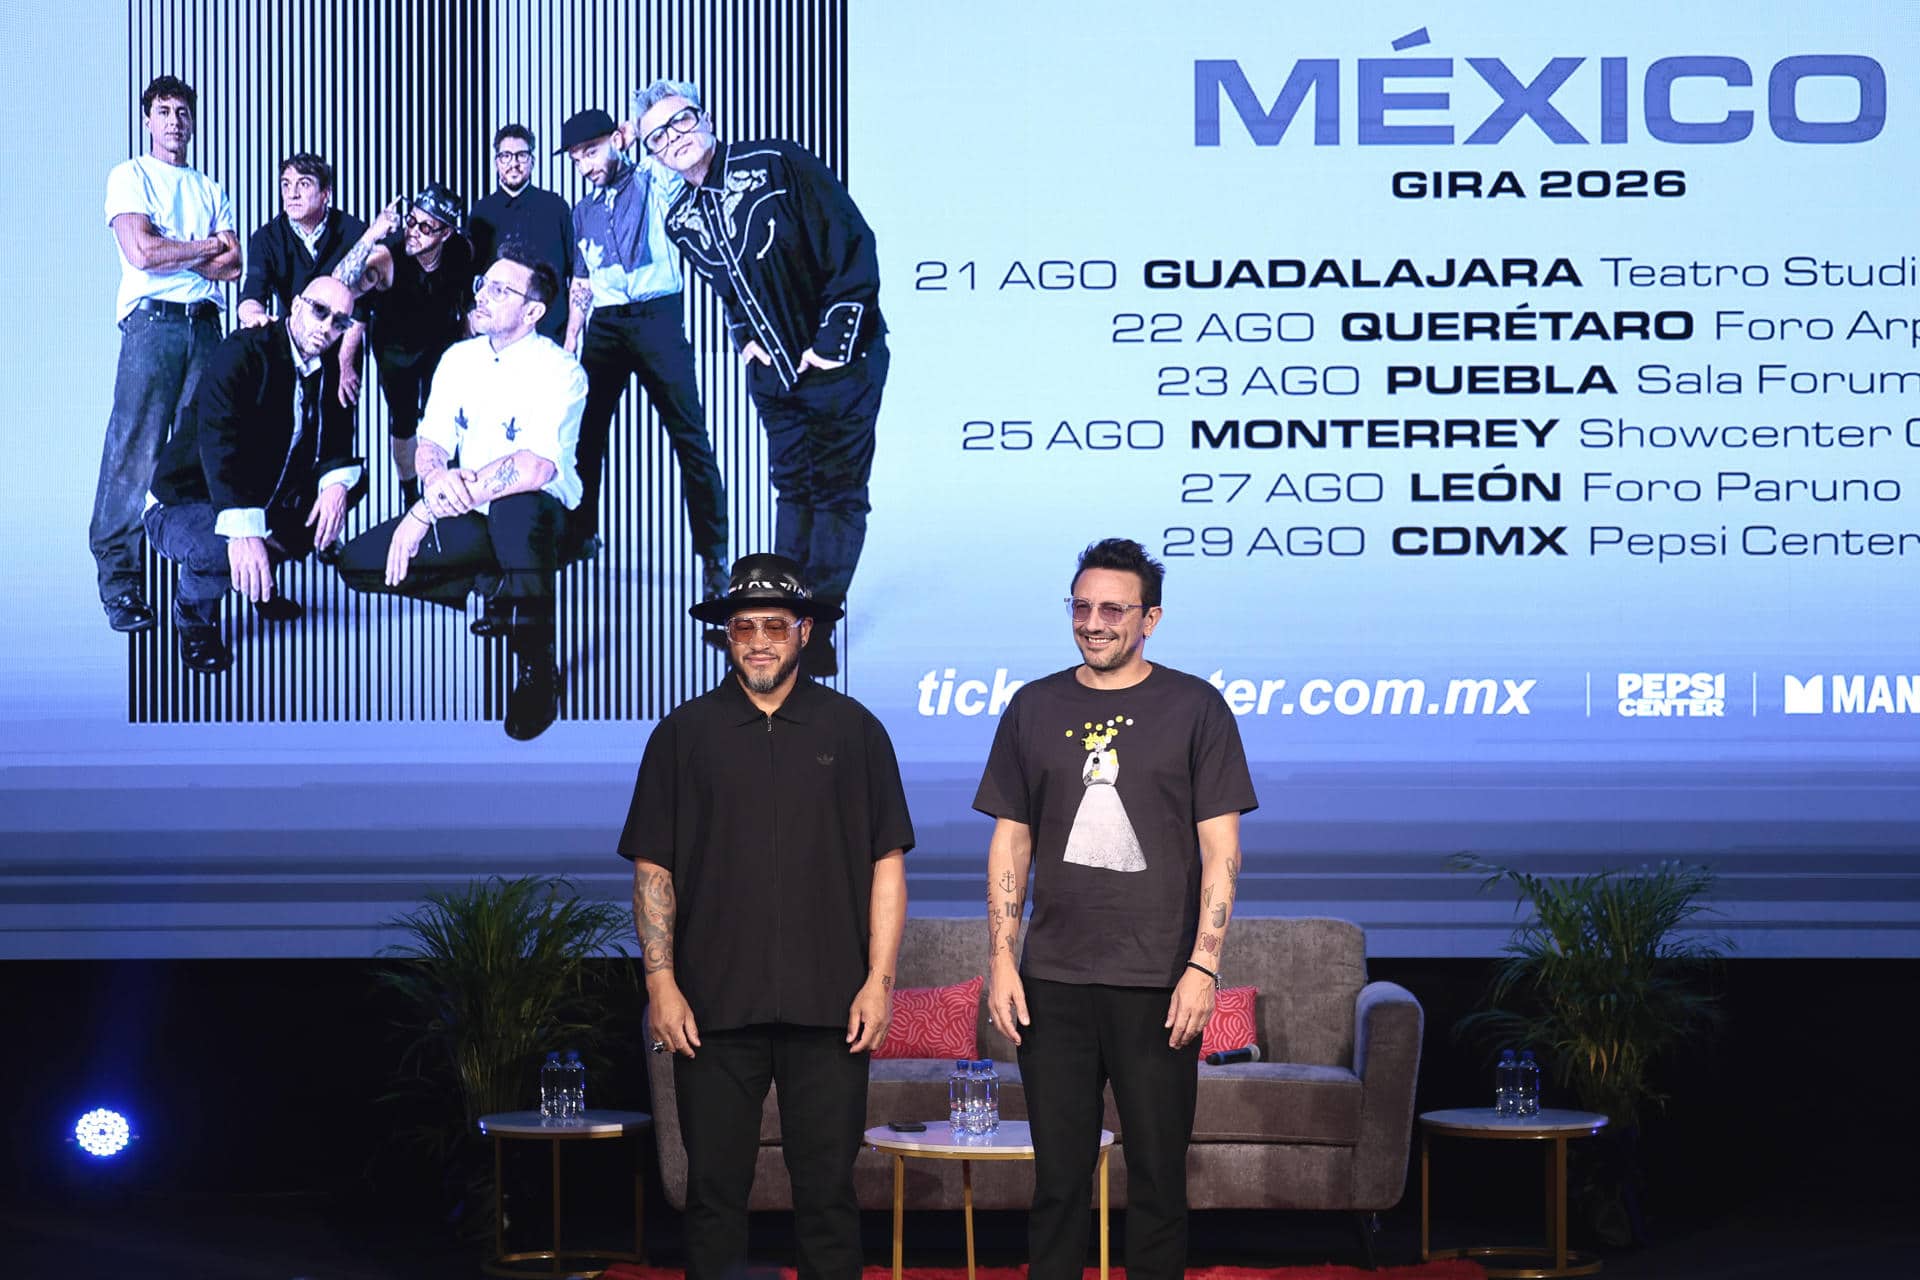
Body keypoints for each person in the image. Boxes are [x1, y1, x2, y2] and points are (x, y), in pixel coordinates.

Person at [618, 553, 913, 1280]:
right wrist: (661, 985)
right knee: (713, 1198)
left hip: (832, 1009)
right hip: (711, 1011)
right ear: (725, 636)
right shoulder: (682, 735)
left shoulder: (856, 732)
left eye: (774, 627)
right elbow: (654, 868)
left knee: (828, 1200)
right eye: (742, 627)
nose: (757, 641)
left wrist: (880, 982)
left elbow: (887, 866)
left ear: (804, 632)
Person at [974, 538, 1257, 1280]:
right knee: (1059, 1185)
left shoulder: (1196, 707)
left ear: (1150, 619)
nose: (1093, 622)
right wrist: (1003, 958)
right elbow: (1012, 843)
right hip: (1054, 986)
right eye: (1081, 606)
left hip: (1160, 985)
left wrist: (1203, 965)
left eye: (1112, 609)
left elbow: (1222, 851)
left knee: (1160, 1185)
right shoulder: (1033, 706)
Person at [634, 78, 889, 676]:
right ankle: (779, 623)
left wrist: (830, 346)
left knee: (837, 494)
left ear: (703, 115)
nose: (674, 137)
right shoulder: (682, 219)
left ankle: (817, 628)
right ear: (651, 153)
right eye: (657, 136)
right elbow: (731, 293)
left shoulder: (777, 161)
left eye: (680, 120)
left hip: (840, 363)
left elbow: (853, 246)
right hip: (774, 380)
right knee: (793, 493)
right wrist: (746, 344)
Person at [335, 244, 587, 741]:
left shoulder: (562, 371)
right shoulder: (459, 358)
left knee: (515, 509)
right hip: (472, 511)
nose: (483, 296)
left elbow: (534, 468)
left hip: (542, 517)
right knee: (360, 563)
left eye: (500, 289)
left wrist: (427, 509)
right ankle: (489, 582)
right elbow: (431, 443)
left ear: (533, 311)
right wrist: (432, 477)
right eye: (483, 284)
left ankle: (537, 664)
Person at [142, 277, 364, 674]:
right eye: (319, 311)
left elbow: (338, 435)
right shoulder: (243, 351)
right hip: (186, 500)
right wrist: (243, 530)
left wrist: (333, 487)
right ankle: (194, 619)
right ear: (295, 305)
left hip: (258, 495)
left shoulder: (330, 364)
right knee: (218, 546)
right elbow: (218, 441)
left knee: (345, 488)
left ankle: (258, 581)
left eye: (340, 322)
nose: (327, 328)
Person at [558, 107, 727, 595]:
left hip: (657, 317)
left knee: (690, 437)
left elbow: (673, 156)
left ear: (617, 140)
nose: (586, 165)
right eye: (576, 158)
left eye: (591, 151)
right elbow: (582, 279)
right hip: (606, 326)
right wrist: (572, 338)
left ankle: (714, 558)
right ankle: (580, 534)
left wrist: (635, 135)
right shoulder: (583, 209)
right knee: (583, 433)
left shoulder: (653, 179)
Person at [94, 73, 241, 633]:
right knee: (132, 452)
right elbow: (141, 251)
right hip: (152, 326)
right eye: (164, 110)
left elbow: (234, 267)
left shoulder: (208, 187)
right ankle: (119, 581)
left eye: (183, 110)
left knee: (201, 454)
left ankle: (196, 581)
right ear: (148, 119)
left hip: (206, 326)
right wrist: (205, 246)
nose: (175, 120)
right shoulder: (129, 176)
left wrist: (177, 248)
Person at [235, 151, 371, 573]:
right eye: (286, 185)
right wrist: (255, 317)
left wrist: (347, 361)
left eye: (304, 185)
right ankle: (271, 528)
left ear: (325, 194)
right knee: (286, 435)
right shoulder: (267, 237)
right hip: (292, 346)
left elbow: (363, 304)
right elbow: (252, 291)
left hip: (343, 342)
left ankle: (326, 533)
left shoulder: (353, 231)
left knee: (338, 436)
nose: (291, 193)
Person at [334, 182, 473, 508]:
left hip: (442, 342)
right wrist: (372, 234)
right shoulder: (388, 256)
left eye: (426, 227)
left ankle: (451, 490)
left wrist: (472, 354)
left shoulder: (461, 252)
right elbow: (339, 290)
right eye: (411, 221)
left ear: (446, 233)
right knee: (404, 423)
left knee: (450, 419)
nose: (414, 231)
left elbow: (465, 305)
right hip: (396, 350)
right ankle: (411, 497)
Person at [469, 124, 572, 344]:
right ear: (497, 163)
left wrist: (572, 333)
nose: (513, 163)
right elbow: (470, 272)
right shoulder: (480, 211)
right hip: (495, 330)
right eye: (505, 156)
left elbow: (576, 274)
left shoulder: (556, 207)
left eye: (521, 156)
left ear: (532, 162)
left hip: (550, 331)